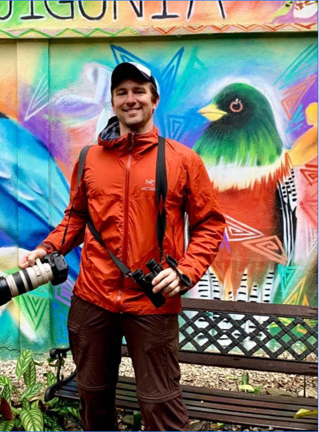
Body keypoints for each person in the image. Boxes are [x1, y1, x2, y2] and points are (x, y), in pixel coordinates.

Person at [19, 62, 226, 431]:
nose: (130, 99)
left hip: (151, 301)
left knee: (159, 402)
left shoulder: (182, 160)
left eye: (138, 91)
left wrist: (185, 271)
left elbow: (209, 224)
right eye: (121, 92)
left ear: (154, 99)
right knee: (93, 395)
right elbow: (76, 218)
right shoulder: (88, 159)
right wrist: (46, 249)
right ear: (113, 102)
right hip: (92, 298)